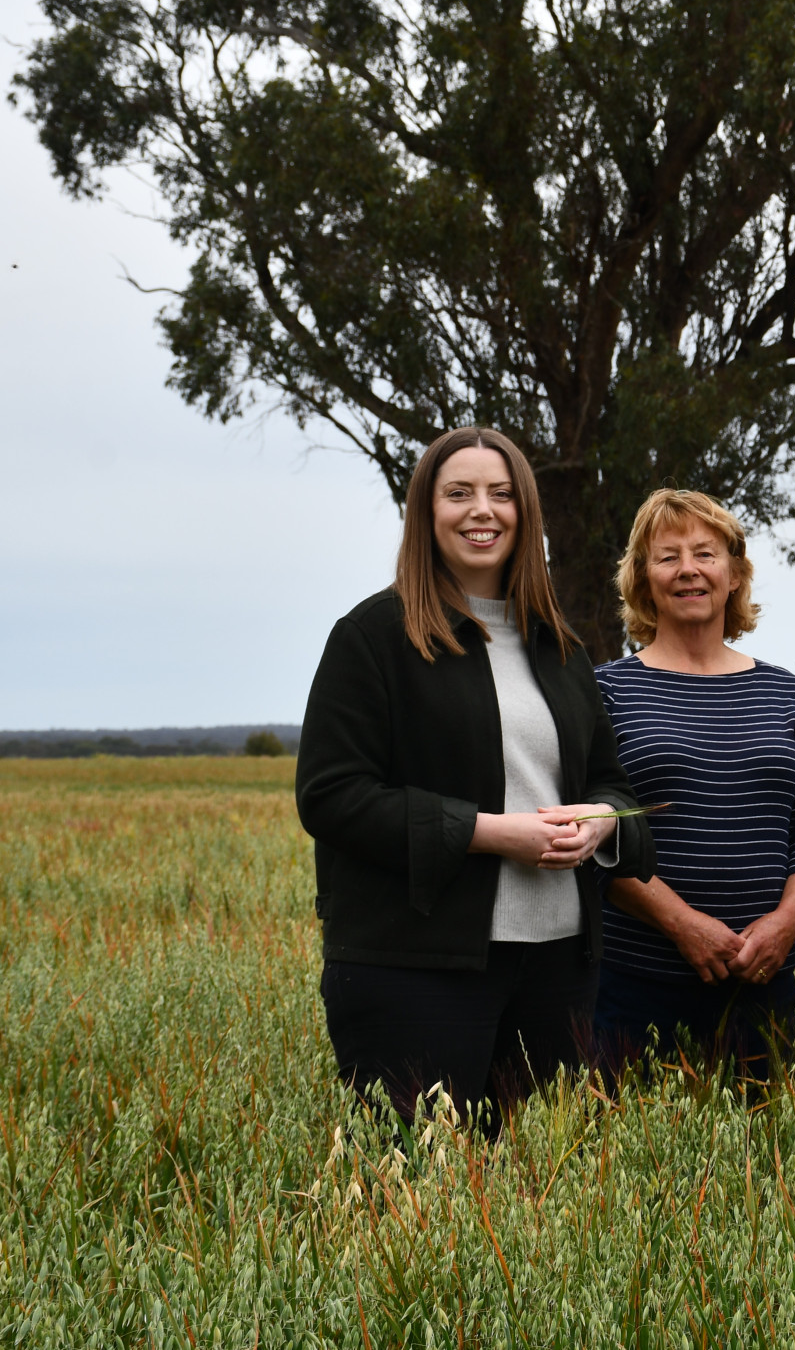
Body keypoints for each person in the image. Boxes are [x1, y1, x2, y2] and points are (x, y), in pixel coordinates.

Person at [297, 427, 653, 1129]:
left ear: (525, 512)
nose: (481, 509)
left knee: (532, 1200)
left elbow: (613, 783)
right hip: (415, 970)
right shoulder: (372, 637)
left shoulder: (560, 646)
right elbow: (331, 796)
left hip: (558, 971)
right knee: (415, 1199)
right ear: (426, 513)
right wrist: (490, 834)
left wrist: (603, 824)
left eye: (501, 493)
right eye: (458, 492)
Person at [593, 490, 795, 1082]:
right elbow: (594, 835)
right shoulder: (606, 692)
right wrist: (681, 924)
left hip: (762, 983)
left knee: (760, 1169)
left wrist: (787, 923)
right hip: (634, 987)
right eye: (667, 556)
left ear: (734, 575)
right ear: (642, 579)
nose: (688, 570)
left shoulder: (785, 693)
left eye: (705, 553)